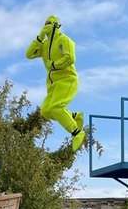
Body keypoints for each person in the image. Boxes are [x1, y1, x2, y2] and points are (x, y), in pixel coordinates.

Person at [26, 15, 85, 152]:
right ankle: (75, 116)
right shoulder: (45, 45)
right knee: (46, 111)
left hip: (68, 80)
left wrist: (54, 65)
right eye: (44, 25)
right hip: (53, 84)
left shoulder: (64, 40)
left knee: (56, 108)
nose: (46, 27)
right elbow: (29, 54)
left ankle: (77, 133)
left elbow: (70, 58)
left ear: (56, 25)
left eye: (49, 24)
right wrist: (40, 37)